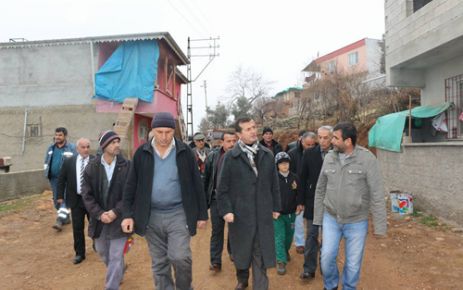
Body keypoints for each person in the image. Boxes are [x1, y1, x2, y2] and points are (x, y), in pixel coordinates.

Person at [121, 112, 208, 290]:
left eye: (168, 132)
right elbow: (130, 186)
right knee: (160, 262)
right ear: (153, 131)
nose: (163, 137)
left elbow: (197, 184)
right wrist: (127, 214)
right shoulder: (141, 154)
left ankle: (184, 287)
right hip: (151, 215)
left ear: (173, 131)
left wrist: (201, 214)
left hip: (178, 213)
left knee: (180, 256)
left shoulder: (185, 152)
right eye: (159, 132)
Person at [313, 122, 387, 290]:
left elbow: (376, 194)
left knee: (353, 264)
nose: (331, 141)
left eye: (335, 138)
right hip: (331, 218)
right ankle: (330, 285)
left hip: (357, 221)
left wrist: (380, 227)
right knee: (326, 259)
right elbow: (320, 189)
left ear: (347, 141)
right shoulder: (329, 158)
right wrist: (318, 220)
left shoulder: (367, 159)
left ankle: (348, 287)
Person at [217, 117, 281, 290]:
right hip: (240, 217)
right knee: (243, 253)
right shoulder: (231, 157)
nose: (253, 131)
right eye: (247, 129)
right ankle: (242, 278)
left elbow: (274, 184)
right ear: (239, 134)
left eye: (254, 127)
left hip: (262, 215)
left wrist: (276, 206)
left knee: (260, 258)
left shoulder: (267, 155)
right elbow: (221, 189)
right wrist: (227, 211)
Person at [82, 130, 130, 290]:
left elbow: (130, 193)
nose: (117, 145)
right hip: (100, 220)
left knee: (116, 255)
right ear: (104, 146)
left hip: (120, 218)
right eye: (113, 142)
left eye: (118, 141)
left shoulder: (127, 166)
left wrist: (116, 211)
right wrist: (99, 213)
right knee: (102, 251)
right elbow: (86, 195)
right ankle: (118, 270)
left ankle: (111, 286)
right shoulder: (91, 168)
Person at [299, 125, 333, 281]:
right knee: (311, 236)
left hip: (333, 203)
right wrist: (300, 201)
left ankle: (325, 266)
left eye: (326, 137)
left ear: (332, 138)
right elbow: (302, 178)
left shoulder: (337, 154)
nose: (322, 140)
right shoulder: (309, 154)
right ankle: (309, 269)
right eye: (320, 137)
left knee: (328, 238)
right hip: (313, 202)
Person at [204, 131, 237, 272]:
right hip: (216, 200)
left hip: (234, 200)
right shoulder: (212, 157)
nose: (231, 144)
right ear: (221, 142)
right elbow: (206, 179)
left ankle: (233, 252)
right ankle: (215, 261)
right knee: (217, 231)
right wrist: (205, 201)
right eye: (228, 141)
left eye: (234, 141)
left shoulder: (240, 156)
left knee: (234, 229)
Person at [56, 138, 94, 264]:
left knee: (95, 225)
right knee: (77, 228)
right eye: (83, 147)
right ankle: (79, 253)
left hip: (92, 200)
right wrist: (60, 195)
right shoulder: (69, 162)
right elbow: (61, 179)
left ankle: (97, 245)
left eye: (88, 146)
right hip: (76, 200)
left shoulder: (96, 161)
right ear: (77, 149)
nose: (86, 149)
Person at [273, 152, 303, 276]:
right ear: (277, 165)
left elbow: (299, 193)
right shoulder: (273, 178)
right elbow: (269, 195)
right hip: (278, 214)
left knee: (289, 236)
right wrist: (272, 209)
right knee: (279, 236)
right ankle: (280, 260)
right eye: (281, 164)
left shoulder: (295, 178)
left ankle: (284, 252)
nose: (284, 166)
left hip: (291, 213)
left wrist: (299, 204)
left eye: (286, 163)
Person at [288, 131, 317, 255]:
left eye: (312, 145)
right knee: (298, 218)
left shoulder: (318, 154)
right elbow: (289, 173)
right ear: (301, 141)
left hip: (312, 191)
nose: (310, 147)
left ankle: (313, 241)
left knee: (313, 218)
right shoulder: (292, 154)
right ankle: (299, 243)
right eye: (307, 144)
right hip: (297, 190)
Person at [44, 127, 76, 231]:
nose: (57, 137)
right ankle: (66, 218)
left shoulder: (71, 148)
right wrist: (47, 172)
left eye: (60, 135)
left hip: (67, 179)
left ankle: (59, 220)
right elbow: (47, 161)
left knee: (64, 199)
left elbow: (76, 162)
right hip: (54, 179)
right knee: (57, 201)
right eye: (56, 135)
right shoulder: (51, 148)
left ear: (65, 136)